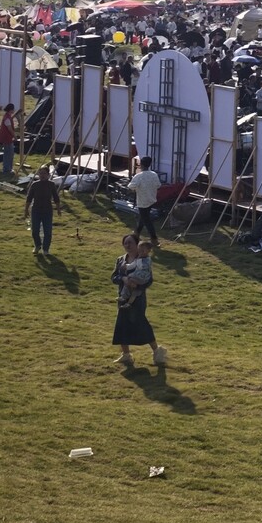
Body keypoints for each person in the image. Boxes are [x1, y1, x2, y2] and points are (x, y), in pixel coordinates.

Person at [111, 233, 167, 369]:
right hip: (123, 297)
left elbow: (149, 279)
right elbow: (114, 277)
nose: (128, 246)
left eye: (130, 243)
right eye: (126, 243)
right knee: (121, 325)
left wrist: (138, 285)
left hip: (138, 297)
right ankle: (126, 355)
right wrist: (123, 279)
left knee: (141, 323)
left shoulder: (144, 260)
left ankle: (157, 351)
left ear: (137, 244)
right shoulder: (120, 260)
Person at [25, 167, 62, 256]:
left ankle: (46, 249)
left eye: (44, 174)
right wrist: (26, 210)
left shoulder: (51, 184)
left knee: (48, 231)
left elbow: (56, 198)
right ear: (38, 175)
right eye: (40, 173)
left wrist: (58, 209)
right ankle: (37, 245)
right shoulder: (34, 185)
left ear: (48, 175)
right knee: (35, 230)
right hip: (36, 210)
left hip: (47, 211)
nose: (42, 175)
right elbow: (29, 198)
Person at [128, 157, 162, 247]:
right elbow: (158, 185)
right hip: (151, 199)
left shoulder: (139, 176)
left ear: (141, 165)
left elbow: (131, 186)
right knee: (143, 217)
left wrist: (135, 189)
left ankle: (154, 239)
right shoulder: (154, 174)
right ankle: (136, 234)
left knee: (146, 220)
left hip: (142, 201)